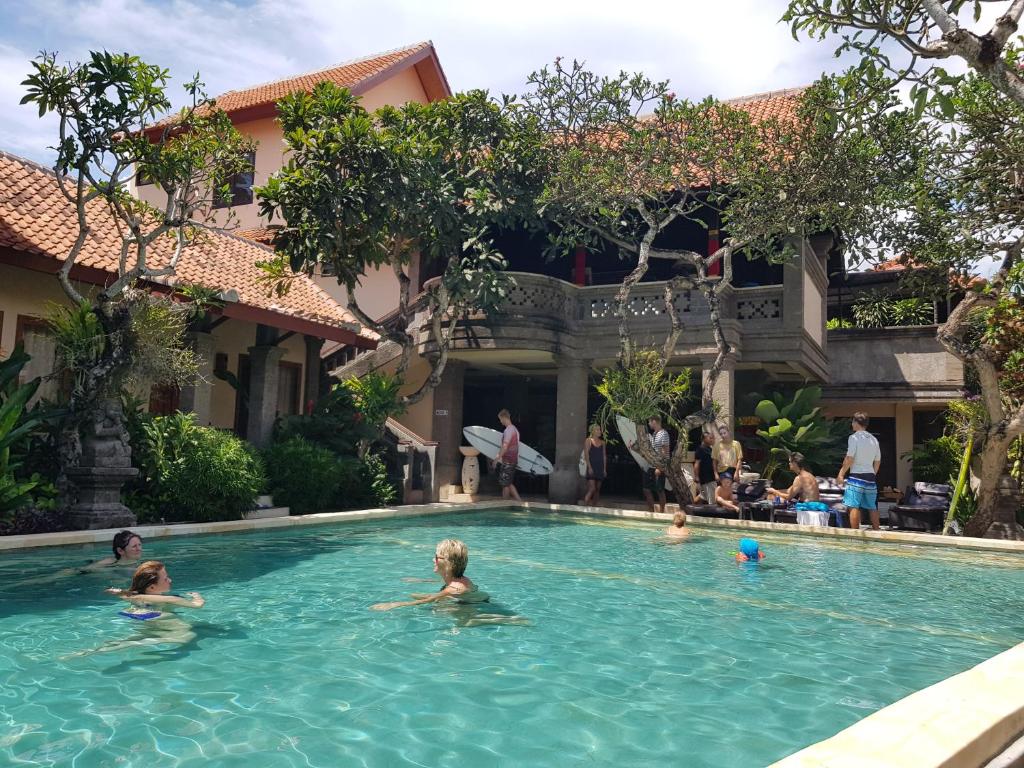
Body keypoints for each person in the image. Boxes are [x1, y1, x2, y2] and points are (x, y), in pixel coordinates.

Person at [372, 539, 490, 611]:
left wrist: (394, 604)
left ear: (448, 563)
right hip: (471, 600)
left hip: (470, 607)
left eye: (436, 557)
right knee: (417, 595)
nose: (433, 560)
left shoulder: (453, 589)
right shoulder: (460, 580)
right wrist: (422, 581)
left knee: (437, 610)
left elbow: (427, 601)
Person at [106, 561, 206, 617]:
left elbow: (114, 592)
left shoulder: (131, 595)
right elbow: (197, 606)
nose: (170, 580)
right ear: (152, 587)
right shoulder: (173, 599)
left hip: (140, 615)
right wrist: (197, 596)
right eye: (166, 579)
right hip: (155, 619)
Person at [836, 411, 882, 530]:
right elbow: (877, 461)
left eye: (852, 421)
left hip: (856, 477)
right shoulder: (874, 440)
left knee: (853, 506)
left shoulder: (854, 437)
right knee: (872, 506)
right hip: (870, 477)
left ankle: (855, 535)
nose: (852, 424)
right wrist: (873, 474)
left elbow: (849, 458)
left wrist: (841, 474)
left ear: (856, 422)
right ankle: (877, 532)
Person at [641, 416, 670, 513]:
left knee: (660, 489)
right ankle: (651, 511)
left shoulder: (663, 434)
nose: (649, 424)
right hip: (651, 465)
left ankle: (661, 512)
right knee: (646, 488)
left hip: (659, 466)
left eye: (649, 422)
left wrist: (660, 467)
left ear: (654, 421)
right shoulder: (654, 434)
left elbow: (665, 451)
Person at [495, 409, 521, 502]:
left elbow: (505, 446)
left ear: (504, 417)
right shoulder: (515, 430)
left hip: (508, 461)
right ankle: (518, 502)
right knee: (508, 483)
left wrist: (497, 459)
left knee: (505, 484)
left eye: (500, 419)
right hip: (513, 460)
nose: (500, 421)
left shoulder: (508, 430)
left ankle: (505, 504)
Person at [582, 424, 607, 506]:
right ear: (592, 431)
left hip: (600, 467)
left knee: (597, 489)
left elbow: (604, 456)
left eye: (599, 429)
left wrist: (604, 469)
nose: (599, 431)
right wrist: (589, 467)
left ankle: (594, 507)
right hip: (592, 466)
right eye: (597, 430)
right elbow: (586, 455)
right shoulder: (588, 440)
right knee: (592, 488)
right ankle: (584, 508)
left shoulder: (603, 442)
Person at [693, 431, 719, 504]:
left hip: (710, 477)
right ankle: (712, 514)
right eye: (710, 438)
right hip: (707, 478)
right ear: (704, 439)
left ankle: (690, 507)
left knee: (702, 496)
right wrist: (696, 476)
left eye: (713, 438)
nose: (712, 439)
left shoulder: (710, 449)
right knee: (712, 500)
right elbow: (697, 464)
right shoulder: (700, 449)